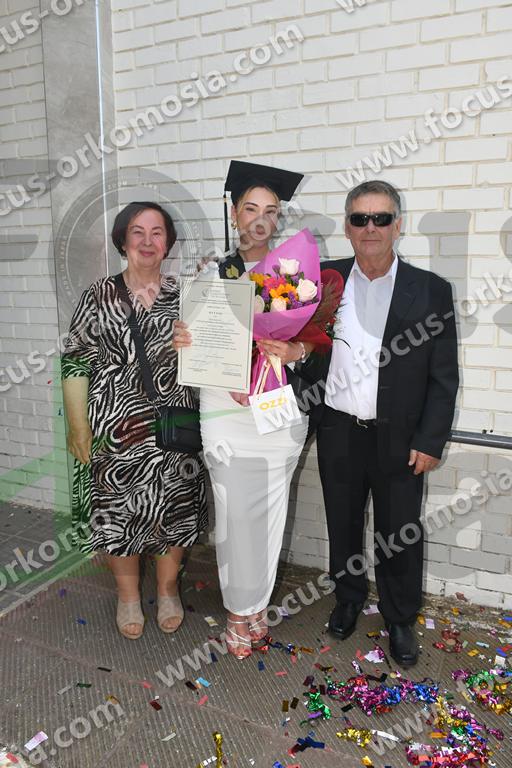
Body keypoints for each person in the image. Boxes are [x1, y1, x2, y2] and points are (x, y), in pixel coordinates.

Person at [173, 161, 341, 659]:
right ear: (234, 213)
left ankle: (256, 608)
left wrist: (297, 350)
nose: (260, 219)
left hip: (276, 409)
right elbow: (197, 346)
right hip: (225, 410)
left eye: (270, 210)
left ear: (278, 217)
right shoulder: (212, 273)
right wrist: (184, 339)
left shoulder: (296, 277)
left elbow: (324, 343)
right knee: (233, 513)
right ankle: (236, 610)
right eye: (251, 209)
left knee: (270, 510)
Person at [316, 180, 459, 668]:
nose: (370, 228)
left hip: (401, 438)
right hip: (338, 430)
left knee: (399, 532)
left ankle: (399, 617)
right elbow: (304, 346)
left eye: (381, 218)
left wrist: (431, 439)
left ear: (398, 225)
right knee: (342, 523)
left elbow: (444, 376)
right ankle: (348, 598)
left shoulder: (431, 290)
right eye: (360, 218)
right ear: (347, 227)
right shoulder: (324, 281)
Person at [61, 201, 208, 640]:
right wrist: (78, 426)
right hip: (115, 428)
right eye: (137, 232)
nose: (147, 241)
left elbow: (215, 358)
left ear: (168, 243)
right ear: (123, 241)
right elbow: (74, 361)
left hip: (175, 423)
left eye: (157, 232)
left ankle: (167, 590)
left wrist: (195, 343)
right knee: (118, 511)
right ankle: (127, 596)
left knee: (175, 505)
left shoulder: (187, 294)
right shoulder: (98, 296)